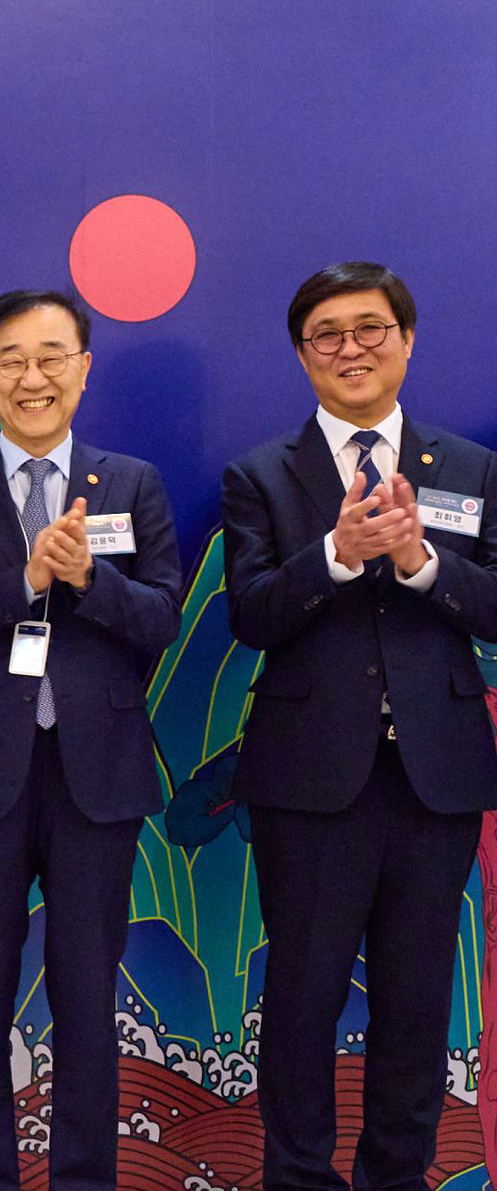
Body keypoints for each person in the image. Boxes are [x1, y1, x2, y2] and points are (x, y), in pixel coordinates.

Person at [223, 261, 497, 1191]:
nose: (352, 348)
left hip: (438, 777)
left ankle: (398, 1176)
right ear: (303, 354)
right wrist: (336, 553)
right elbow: (252, 614)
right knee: (302, 998)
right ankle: (297, 1178)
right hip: (310, 781)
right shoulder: (261, 473)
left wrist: (422, 562)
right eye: (328, 334)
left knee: (418, 1003)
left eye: (371, 328)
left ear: (408, 341)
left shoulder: (468, 468)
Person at [0, 289, 183, 1190]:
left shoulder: (131, 482)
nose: (33, 376)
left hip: (97, 774)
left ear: (84, 369)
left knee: (86, 994)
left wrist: (90, 578)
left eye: (52, 356)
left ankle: (83, 1177)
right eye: (12, 359)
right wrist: (22, 580)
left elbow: (162, 618)